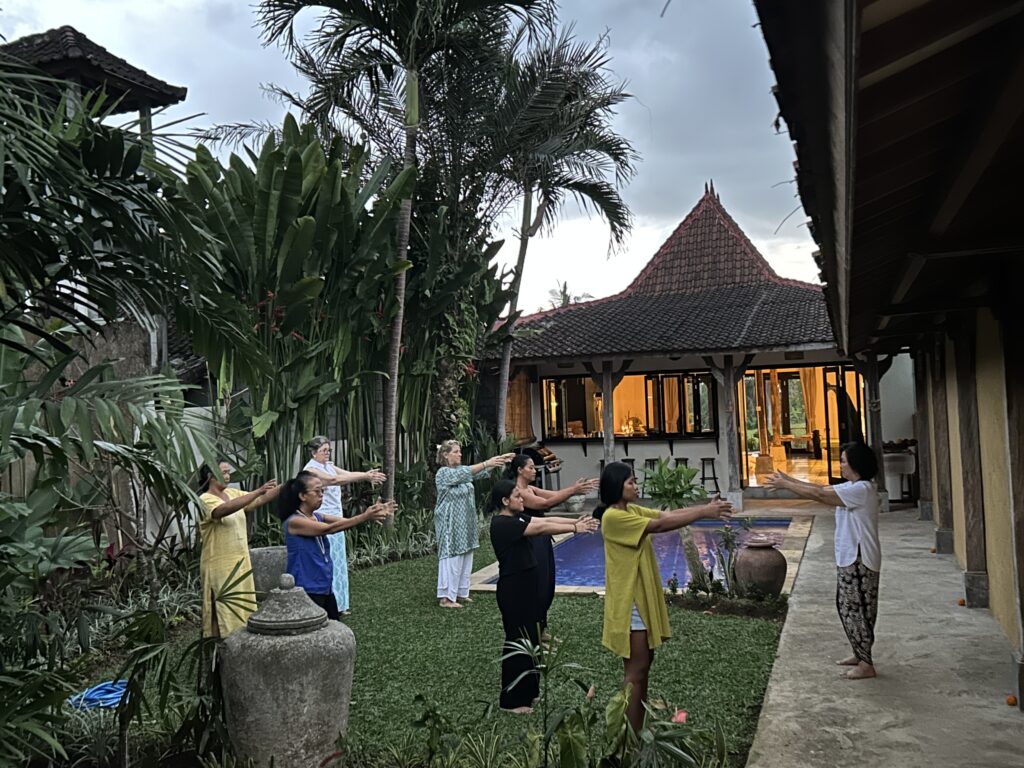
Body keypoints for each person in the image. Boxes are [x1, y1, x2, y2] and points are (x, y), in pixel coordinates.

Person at [595, 461, 733, 733]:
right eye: (630, 482)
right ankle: (624, 739)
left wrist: (704, 509)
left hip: (641, 599)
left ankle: (636, 731)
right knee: (636, 670)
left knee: (645, 666)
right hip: (630, 602)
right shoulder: (612, 517)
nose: (636, 486)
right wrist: (705, 511)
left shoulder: (630, 509)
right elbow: (659, 526)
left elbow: (664, 516)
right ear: (616, 486)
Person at [764, 441, 881, 680]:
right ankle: (860, 653)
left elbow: (818, 495)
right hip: (850, 557)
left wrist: (786, 484)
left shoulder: (861, 490)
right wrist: (790, 480)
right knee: (846, 606)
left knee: (857, 609)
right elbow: (821, 490)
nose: (841, 465)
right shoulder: (852, 486)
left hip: (860, 558)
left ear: (856, 465)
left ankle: (866, 664)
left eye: (844, 461)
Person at [488, 478, 599, 713]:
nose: (522, 499)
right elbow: (540, 528)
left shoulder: (516, 517)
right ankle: (512, 701)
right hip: (513, 590)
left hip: (527, 587)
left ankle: (529, 693)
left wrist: (575, 520)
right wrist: (575, 528)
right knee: (517, 642)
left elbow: (545, 520)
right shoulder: (502, 524)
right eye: (517, 496)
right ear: (505, 501)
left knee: (533, 640)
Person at [278, 470, 394, 620]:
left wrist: (369, 515)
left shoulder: (317, 516)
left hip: (323, 585)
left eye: (323, 491)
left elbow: (343, 522)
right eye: (317, 491)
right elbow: (329, 529)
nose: (322, 495)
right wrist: (365, 516)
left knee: (333, 627)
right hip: (306, 588)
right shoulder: (295, 521)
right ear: (302, 496)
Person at [505, 455, 598, 632]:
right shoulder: (519, 491)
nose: (534, 471)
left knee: (547, 584)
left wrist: (575, 490)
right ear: (520, 470)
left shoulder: (530, 488)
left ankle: (542, 628)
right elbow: (546, 503)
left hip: (543, 536)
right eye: (531, 468)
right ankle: (535, 631)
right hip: (532, 538)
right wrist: (573, 490)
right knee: (537, 585)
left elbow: (554, 496)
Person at [302, 436, 386, 617]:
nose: (327, 453)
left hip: (337, 514)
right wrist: (365, 476)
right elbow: (333, 480)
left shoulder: (329, 465)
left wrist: (366, 475)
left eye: (328, 450)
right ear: (313, 452)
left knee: (339, 559)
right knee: (328, 558)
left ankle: (341, 603)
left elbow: (345, 475)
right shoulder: (310, 469)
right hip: (322, 517)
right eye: (324, 450)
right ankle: (327, 604)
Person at [197, 462, 280, 638]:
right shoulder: (204, 499)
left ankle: (241, 644)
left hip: (240, 562)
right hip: (219, 565)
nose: (228, 476)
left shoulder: (232, 493)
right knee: (222, 609)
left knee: (241, 605)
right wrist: (258, 490)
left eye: (228, 473)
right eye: (224, 473)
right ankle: (219, 651)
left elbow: (258, 500)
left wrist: (289, 485)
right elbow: (222, 510)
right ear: (210, 476)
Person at [434, 440, 516, 609]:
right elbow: (470, 471)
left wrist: (499, 460)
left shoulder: (462, 472)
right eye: (456, 451)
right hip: (450, 523)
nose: (460, 454)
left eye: (459, 451)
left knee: (466, 555)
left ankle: (461, 592)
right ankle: (446, 598)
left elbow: (479, 472)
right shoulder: (443, 473)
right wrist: (487, 462)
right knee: (452, 557)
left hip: (466, 523)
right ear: (445, 455)